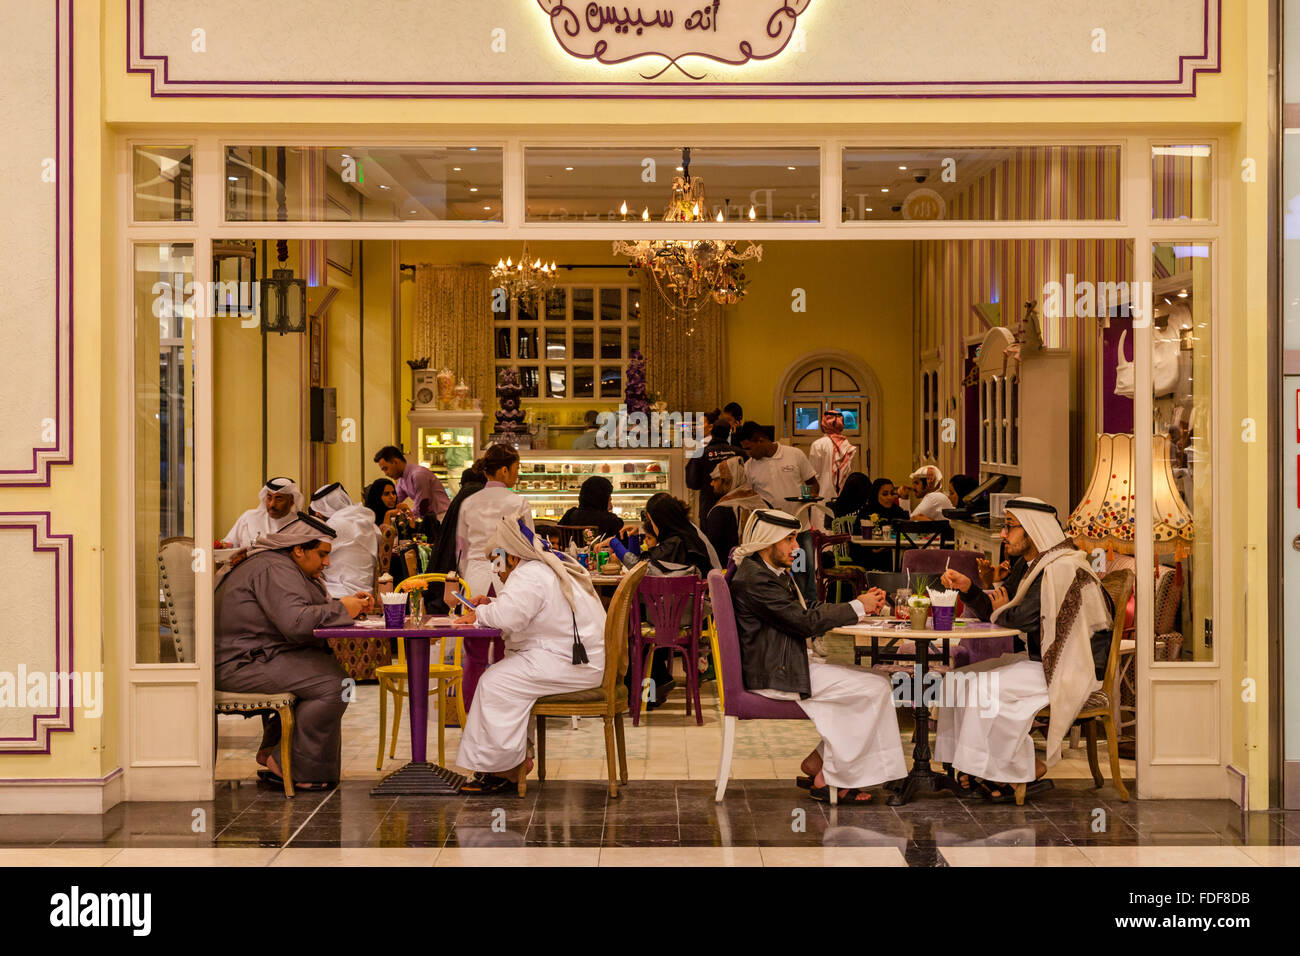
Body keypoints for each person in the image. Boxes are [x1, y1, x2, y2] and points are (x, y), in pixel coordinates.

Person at [936, 498, 1113, 802]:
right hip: (1038, 661)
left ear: (1032, 530)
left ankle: (1008, 769)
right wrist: (969, 588)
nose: (1002, 534)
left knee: (982, 687)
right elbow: (997, 611)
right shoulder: (1031, 567)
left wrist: (999, 605)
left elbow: (1017, 616)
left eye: (1009, 526)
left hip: (1068, 667)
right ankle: (965, 766)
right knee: (957, 680)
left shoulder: (1062, 568)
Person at [730, 509, 907, 803]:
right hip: (774, 672)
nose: (797, 549)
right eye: (789, 540)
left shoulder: (763, 572)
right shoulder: (755, 580)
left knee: (875, 680)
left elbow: (803, 608)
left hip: (783, 662)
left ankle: (820, 762)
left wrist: (857, 607)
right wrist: (856, 607)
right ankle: (831, 778)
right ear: (766, 542)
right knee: (874, 688)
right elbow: (803, 621)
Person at [214, 513, 371, 790]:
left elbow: (298, 608)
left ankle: (275, 751)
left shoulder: (281, 564)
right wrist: (342, 609)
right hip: (238, 663)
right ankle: (288, 763)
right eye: (322, 554)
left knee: (328, 671)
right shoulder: (275, 568)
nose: (327, 562)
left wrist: (343, 604)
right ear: (299, 549)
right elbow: (295, 622)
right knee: (336, 684)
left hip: (256, 656)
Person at [454, 517, 606, 793]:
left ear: (510, 557)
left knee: (494, 682)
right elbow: (521, 608)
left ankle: (504, 771)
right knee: (504, 677)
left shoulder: (528, 574)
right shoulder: (536, 569)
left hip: (573, 663)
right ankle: (514, 761)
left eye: (496, 560)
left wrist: (479, 614)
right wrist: (491, 604)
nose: (495, 569)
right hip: (578, 660)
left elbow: (510, 618)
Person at [603, 492, 720, 705]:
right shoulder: (686, 536)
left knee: (628, 623)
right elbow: (649, 565)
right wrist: (634, 539)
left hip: (678, 616)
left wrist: (616, 545)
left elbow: (641, 568)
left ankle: (645, 691)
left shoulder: (676, 543)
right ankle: (657, 682)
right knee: (636, 616)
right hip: (691, 610)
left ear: (658, 520)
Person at [455, 443, 533, 710]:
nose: (517, 474)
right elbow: (527, 547)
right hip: (506, 576)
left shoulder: (468, 502)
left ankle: (470, 718)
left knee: (474, 657)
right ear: (503, 470)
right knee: (507, 654)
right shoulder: (518, 501)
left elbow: (461, 549)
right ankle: (501, 714)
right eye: (516, 469)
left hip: (475, 578)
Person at [736, 422, 820, 599]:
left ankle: (811, 613)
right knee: (775, 576)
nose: (748, 454)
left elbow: (813, 484)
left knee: (803, 574)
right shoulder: (750, 466)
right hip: (771, 536)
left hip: (799, 530)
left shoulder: (794, 454)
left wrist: (808, 498)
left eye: (749, 448)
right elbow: (750, 500)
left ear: (761, 440)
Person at [309, 482, 382, 599]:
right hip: (367, 589)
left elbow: (310, 555)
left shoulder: (334, 525)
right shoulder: (365, 519)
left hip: (341, 590)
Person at [373, 445, 451, 522]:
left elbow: (422, 506)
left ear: (395, 462)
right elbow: (395, 501)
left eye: (386, 469)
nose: (385, 473)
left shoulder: (418, 475)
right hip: (431, 518)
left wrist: (406, 517)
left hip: (442, 517)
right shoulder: (402, 479)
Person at [222, 477, 303, 550]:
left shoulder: (299, 525)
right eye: (269, 497)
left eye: (279, 499)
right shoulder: (249, 517)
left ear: (291, 501)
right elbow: (228, 545)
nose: (272, 504)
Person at [685, 421, 743, 517]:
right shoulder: (739, 453)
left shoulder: (701, 454)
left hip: (709, 507)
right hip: (736, 507)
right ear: (728, 434)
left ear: (712, 433)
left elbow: (692, 482)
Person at [808, 410, 857, 501]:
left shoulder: (818, 444)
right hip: (843, 497)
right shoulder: (848, 446)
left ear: (824, 424)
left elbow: (814, 475)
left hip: (821, 496)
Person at [559, 475, 625, 539]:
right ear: (603, 498)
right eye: (608, 497)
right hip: (600, 550)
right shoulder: (611, 521)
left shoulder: (570, 515)